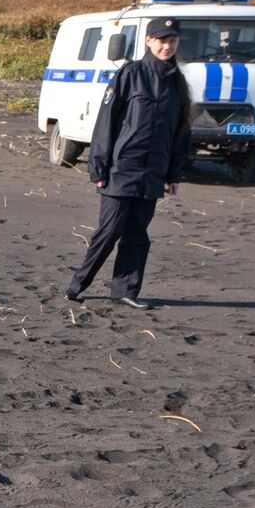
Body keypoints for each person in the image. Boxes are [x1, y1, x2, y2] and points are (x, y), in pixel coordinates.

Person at [63, 16, 194, 310]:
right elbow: (106, 122)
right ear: (149, 41)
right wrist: (98, 166)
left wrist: (174, 173)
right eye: (162, 41)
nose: (167, 46)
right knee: (109, 231)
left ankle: (125, 291)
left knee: (137, 234)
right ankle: (76, 285)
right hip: (122, 169)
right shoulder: (130, 74)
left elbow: (181, 130)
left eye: (172, 41)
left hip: (153, 172)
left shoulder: (178, 82)